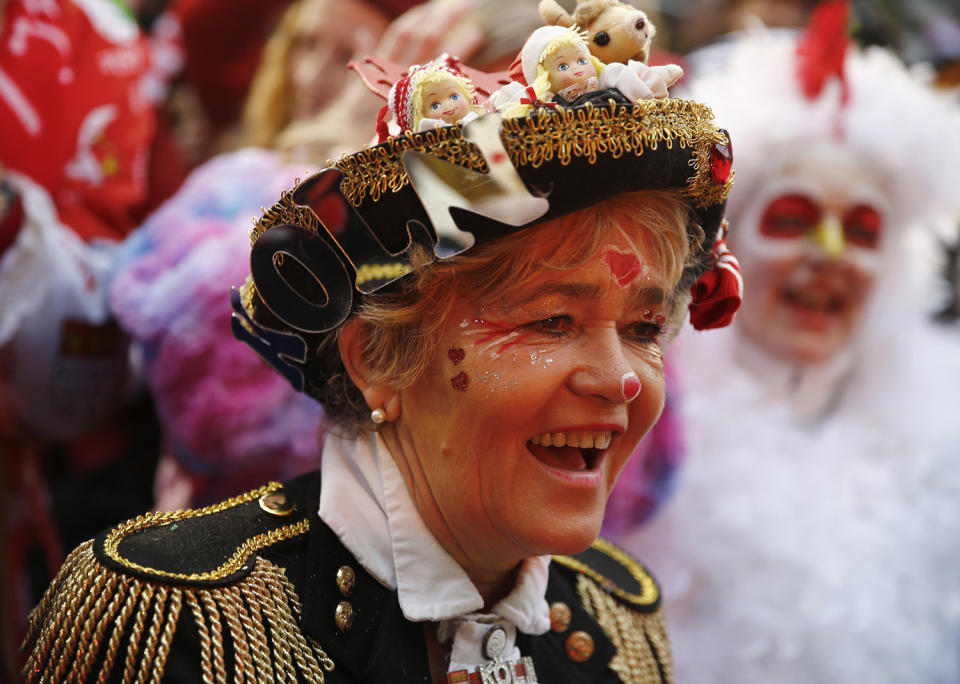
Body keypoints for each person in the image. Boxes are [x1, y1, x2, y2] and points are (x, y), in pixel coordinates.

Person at [22, 34, 737, 681]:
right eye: (552, 321)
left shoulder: (618, 629)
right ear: (378, 359)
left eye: (644, 329)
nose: (617, 378)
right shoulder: (179, 624)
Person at [623, 4, 960, 682]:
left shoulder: (946, 419)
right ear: (726, 243)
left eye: (862, 229)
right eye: (793, 217)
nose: (828, 255)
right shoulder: (639, 416)